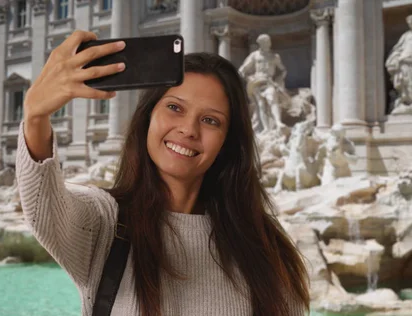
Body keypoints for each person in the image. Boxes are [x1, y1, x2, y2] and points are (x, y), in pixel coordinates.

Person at [16, 30, 309, 316]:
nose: (188, 130)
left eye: (210, 120)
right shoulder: (104, 220)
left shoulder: (265, 244)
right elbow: (45, 207)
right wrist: (35, 117)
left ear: (227, 141)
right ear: (148, 116)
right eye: (174, 107)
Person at [238, 33, 288, 132]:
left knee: (272, 98)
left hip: (269, 82)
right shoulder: (254, 55)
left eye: (268, 42)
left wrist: (279, 80)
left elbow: (283, 70)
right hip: (257, 82)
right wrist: (249, 79)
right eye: (264, 42)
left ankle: (278, 122)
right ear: (260, 44)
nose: (267, 44)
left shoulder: (274, 56)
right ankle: (265, 128)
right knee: (261, 105)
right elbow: (242, 70)